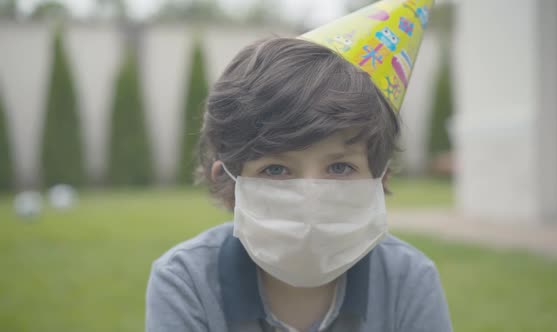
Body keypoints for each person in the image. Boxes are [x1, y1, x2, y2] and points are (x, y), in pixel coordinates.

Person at [146, 1, 452, 331]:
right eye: (276, 170)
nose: (312, 197)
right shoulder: (185, 281)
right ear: (230, 182)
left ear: (379, 178)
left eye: (339, 168)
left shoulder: (408, 280)